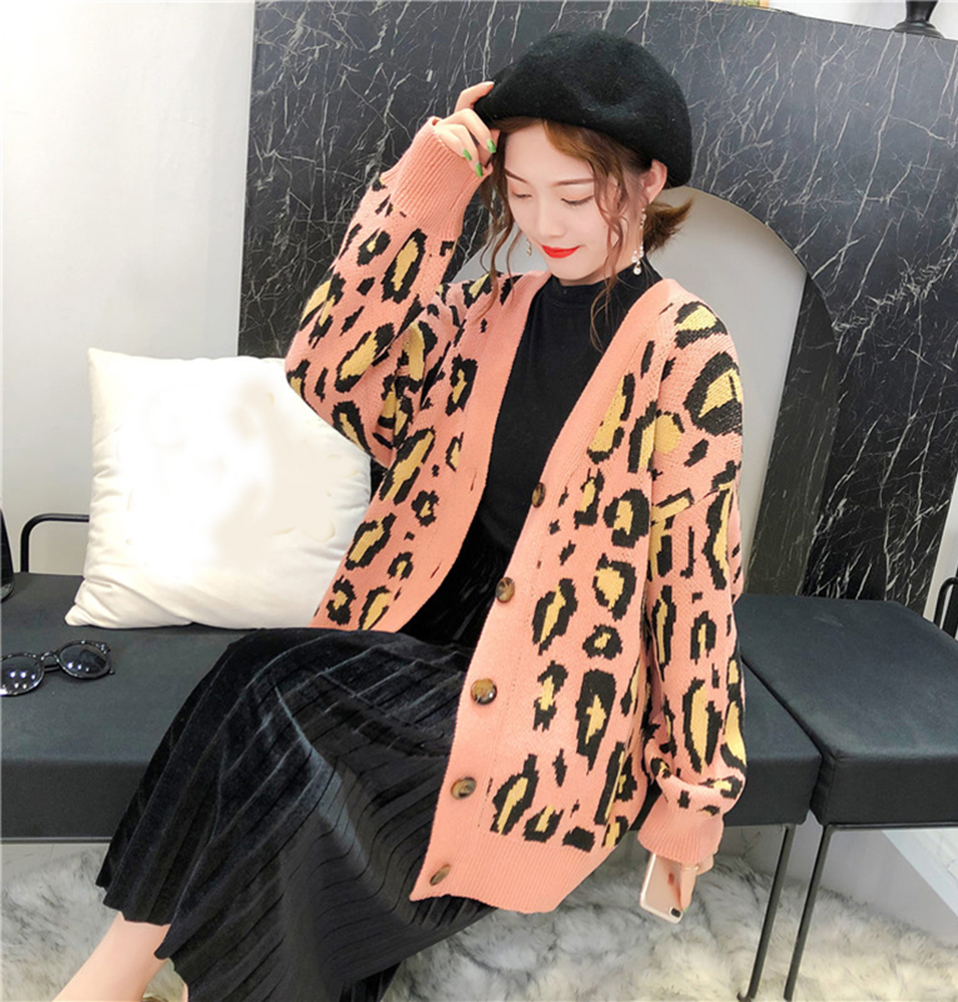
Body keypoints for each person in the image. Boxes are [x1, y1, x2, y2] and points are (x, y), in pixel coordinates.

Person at [54, 27, 743, 1002]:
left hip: (539, 691)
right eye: (520, 190)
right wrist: (432, 181)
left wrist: (694, 795)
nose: (543, 221)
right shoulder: (490, 309)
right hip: (409, 630)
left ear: (647, 181)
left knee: (272, 685)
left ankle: (105, 984)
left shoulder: (688, 353)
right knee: (296, 789)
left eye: (574, 194)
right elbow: (330, 366)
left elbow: (694, 589)